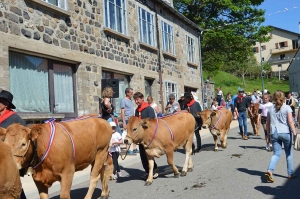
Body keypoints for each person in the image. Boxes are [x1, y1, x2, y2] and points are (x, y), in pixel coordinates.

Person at [265, 90, 297, 183]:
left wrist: (268, 135)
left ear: (273, 98)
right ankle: (290, 173)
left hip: (274, 133)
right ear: (284, 98)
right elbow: (290, 122)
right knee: (289, 153)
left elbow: (267, 123)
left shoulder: (270, 109)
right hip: (285, 132)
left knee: (276, 154)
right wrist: (294, 133)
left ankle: (270, 170)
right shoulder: (287, 108)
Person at [0, 89, 27, 199]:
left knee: (12, 187)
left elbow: (24, 136)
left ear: (5, 104)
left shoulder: (15, 118)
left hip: (8, 160)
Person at [133, 92, 159, 180]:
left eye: (137, 99)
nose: (136, 102)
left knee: (149, 153)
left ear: (142, 99)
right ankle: (147, 171)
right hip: (140, 136)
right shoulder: (137, 110)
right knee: (142, 154)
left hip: (148, 135)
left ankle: (154, 170)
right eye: (135, 100)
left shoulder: (148, 109)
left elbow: (152, 122)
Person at [120, 88, 138, 154]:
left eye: (132, 92)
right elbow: (122, 112)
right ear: (127, 93)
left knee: (134, 134)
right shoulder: (123, 101)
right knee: (128, 134)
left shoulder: (130, 100)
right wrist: (124, 122)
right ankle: (128, 150)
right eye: (131, 93)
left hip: (132, 119)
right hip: (127, 120)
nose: (132, 94)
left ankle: (134, 148)